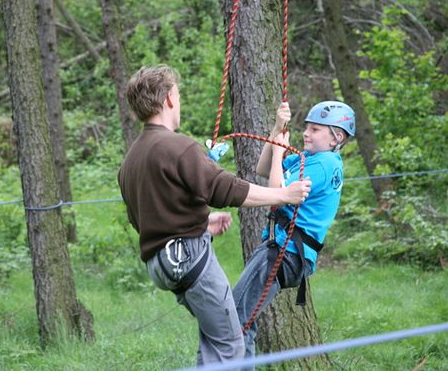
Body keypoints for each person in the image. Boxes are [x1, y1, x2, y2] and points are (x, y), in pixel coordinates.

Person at [117, 65, 312, 366]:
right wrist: (283, 195)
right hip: (187, 258)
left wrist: (204, 221)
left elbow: (145, 216)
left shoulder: (131, 159)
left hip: (161, 264)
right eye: (178, 95)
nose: (178, 102)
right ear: (169, 98)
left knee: (216, 339)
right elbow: (226, 190)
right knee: (229, 346)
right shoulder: (177, 147)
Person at [232, 100, 356, 365]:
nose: (306, 133)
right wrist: (277, 130)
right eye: (307, 128)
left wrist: (278, 152)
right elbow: (263, 169)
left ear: (337, 137)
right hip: (283, 251)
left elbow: (278, 194)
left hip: (285, 252)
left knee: (237, 319)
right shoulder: (310, 159)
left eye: (315, 129)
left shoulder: (323, 165)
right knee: (241, 317)